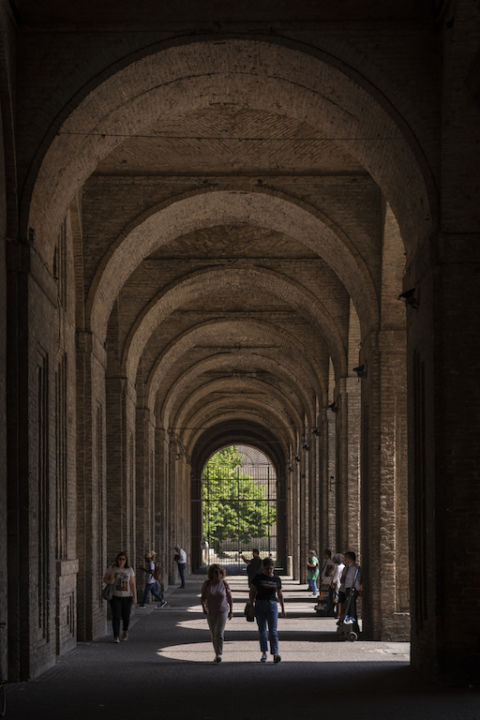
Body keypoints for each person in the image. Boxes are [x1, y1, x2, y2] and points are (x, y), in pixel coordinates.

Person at [249, 556, 286, 663]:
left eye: (271, 568)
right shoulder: (258, 578)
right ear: (263, 568)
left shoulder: (276, 579)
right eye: (267, 569)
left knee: (273, 631)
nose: (269, 571)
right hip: (260, 604)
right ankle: (264, 652)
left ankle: (275, 653)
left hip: (272, 605)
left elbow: (280, 594)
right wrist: (252, 606)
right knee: (262, 631)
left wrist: (283, 608)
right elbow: (252, 592)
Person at [201, 564, 233, 663]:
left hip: (223, 610)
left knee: (219, 632)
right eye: (216, 572)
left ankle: (219, 654)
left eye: (220, 573)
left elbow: (229, 598)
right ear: (212, 573)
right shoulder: (207, 584)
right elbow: (203, 598)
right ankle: (216, 653)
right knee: (213, 633)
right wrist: (204, 608)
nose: (218, 575)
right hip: (211, 610)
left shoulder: (224, 584)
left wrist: (231, 610)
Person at [103, 551, 137, 643]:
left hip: (127, 597)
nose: (121, 561)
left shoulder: (129, 570)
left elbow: (132, 584)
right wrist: (110, 581)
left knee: (126, 616)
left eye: (123, 559)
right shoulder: (112, 568)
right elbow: (105, 578)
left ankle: (125, 631)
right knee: (116, 616)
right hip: (115, 596)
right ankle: (116, 636)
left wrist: (135, 596)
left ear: (126, 560)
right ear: (117, 560)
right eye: (119, 559)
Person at [338, 551, 362, 624]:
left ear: (349, 558)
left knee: (352, 609)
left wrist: (359, 590)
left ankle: (354, 626)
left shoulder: (354, 568)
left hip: (352, 590)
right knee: (349, 608)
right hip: (348, 589)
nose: (344, 560)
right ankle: (349, 624)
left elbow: (356, 580)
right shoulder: (348, 567)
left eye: (345, 558)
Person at [332, 553, 345, 619]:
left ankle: (339, 614)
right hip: (343, 585)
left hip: (338, 585)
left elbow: (336, 577)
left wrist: (333, 582)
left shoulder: (338, 567)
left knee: (338, 600)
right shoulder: (344, 566)